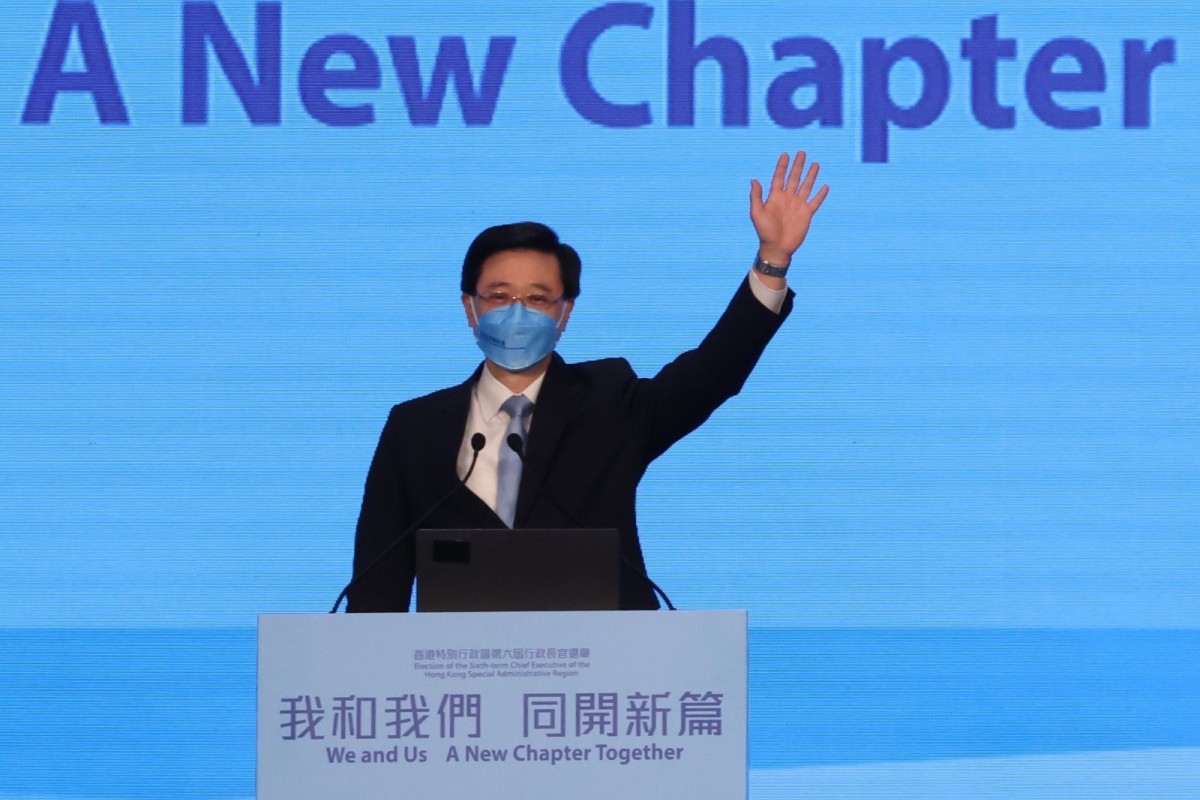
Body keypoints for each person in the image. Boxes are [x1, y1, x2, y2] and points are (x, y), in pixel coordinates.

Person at [347, 152, 829, 612]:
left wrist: (772, 261)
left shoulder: (611, 401)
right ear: (469, 308)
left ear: (565, 314)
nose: (517, 313)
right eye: (498, 296)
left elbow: (712, 372)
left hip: (605, 674)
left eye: (538, 299)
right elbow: (376, 585)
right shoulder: (415, 427)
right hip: (456, 675)